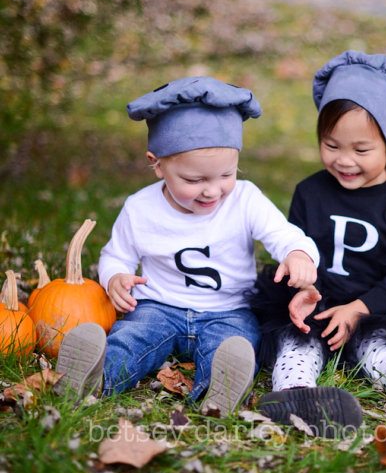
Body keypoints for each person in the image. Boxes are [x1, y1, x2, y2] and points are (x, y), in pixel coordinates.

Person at [55, 76, 321, 417]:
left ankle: (218, 393)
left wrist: (298, 254)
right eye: (194, 180)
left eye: (226, 175)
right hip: (159, 307)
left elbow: (284, 234)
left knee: (234, 346)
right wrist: (115, 277)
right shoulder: (140, 208)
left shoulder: (245, 198)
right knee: (131, 338)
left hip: (228, 310)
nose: (212, 191)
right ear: (157, 164)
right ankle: (92, 377)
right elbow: (115, 255)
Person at [254, 51, 386, 437]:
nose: (344, 160)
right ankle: (294, 396)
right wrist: (304, 289)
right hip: (316, 302)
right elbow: (298, 250)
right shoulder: (309, 191)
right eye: (331, 145)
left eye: (361, 150)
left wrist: (358, 309)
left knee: (383, 352)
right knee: (296, 344)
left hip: (373, 306)